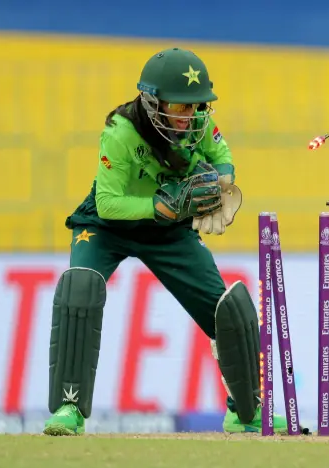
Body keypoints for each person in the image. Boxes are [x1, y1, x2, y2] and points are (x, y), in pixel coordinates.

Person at [43, 47, 288, 435]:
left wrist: (222, 185)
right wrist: (160, 207)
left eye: (197, 107)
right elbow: (108, 202)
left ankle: (246, 412)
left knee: (228, 311)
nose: (191, 117)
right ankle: (68, 410)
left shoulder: (199, 123)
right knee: (80, 289)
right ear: (153, 102)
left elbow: (222, 156)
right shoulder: (120, 132)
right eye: (181, 107)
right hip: (108, 226)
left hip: (169, 229)